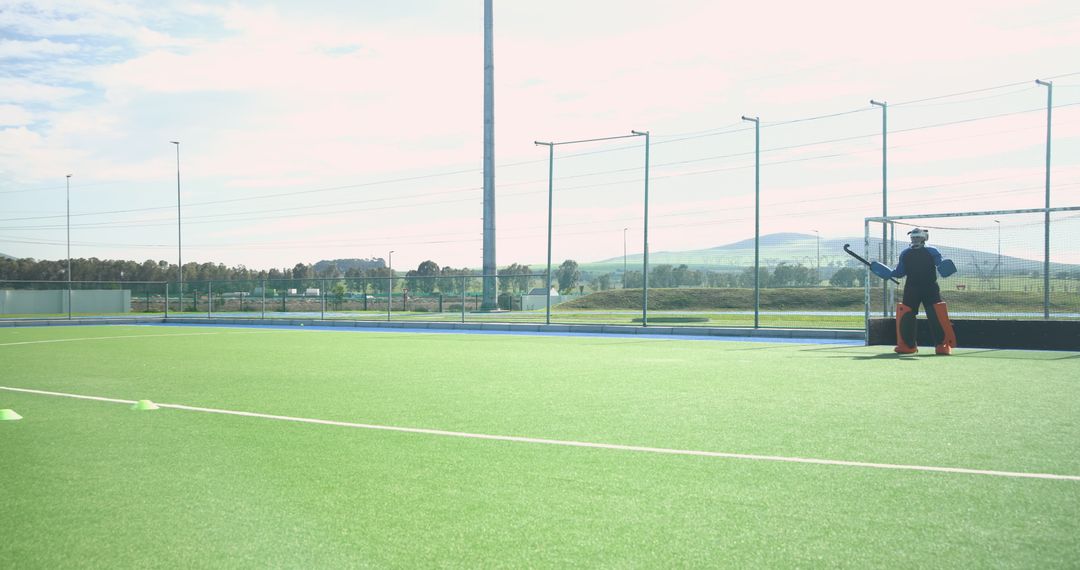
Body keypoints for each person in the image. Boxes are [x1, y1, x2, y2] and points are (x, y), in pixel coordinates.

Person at [873, 228, 957, 355]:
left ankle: (943, 345)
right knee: (906, 315)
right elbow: (900, 272)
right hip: (912, 288)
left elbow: (940, 265)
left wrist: (943, 266)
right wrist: (889, 273)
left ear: (924, 238)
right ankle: (907, 346)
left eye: (917, 237)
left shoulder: (932, 251)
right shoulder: (905, 253)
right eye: (913, 237)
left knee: (936, 315)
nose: (915, 239)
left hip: (930, 287)